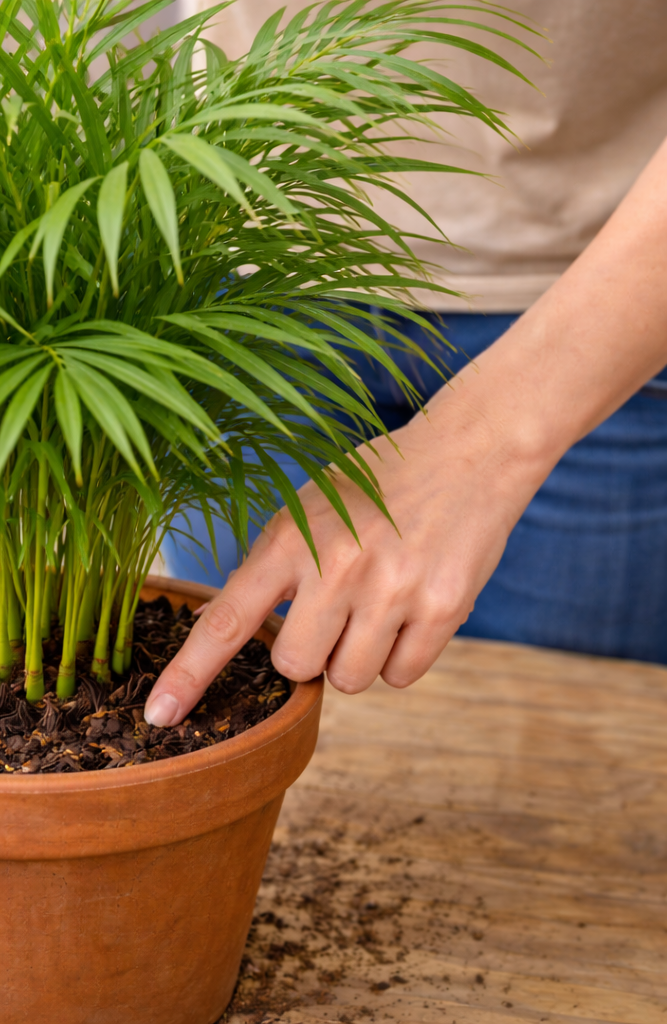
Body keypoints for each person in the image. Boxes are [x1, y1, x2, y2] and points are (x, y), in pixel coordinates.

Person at [144, 0, 667, 727]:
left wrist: (485, 443)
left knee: (571, 746)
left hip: (612, 301)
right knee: (241, 704)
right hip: (251, 278)